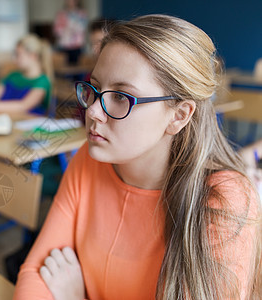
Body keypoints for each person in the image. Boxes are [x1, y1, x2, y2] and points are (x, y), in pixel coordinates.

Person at [14, 15, 261, 300]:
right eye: (95, 90)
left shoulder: (225, 199)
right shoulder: (89, 158)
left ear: (179, 115)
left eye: (121, 96)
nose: (93, 111)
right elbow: (36, 273)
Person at [53, 0, 88, 65]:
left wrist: (67, 27)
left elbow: (82, 28)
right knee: (63, 69)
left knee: (78, 69)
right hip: (64, 46)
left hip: (77, 46)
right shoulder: (61, 14)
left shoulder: (82, 13)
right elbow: (57, 31)